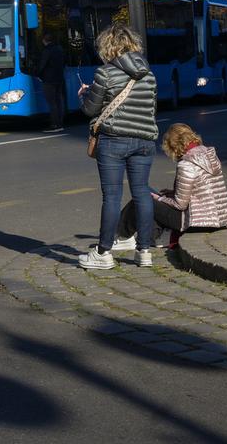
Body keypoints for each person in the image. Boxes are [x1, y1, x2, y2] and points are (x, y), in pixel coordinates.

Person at [77, 22, 160, 270]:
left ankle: (103, 253)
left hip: (114, 140)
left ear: (107, 47)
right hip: (145, 140)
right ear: (133, 44)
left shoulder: (105, 73)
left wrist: (85, 94)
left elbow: (90, 110)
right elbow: (152, 108)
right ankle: (144, 250)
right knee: (142, 193)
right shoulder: (148, 74)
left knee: (112, 196)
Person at [111, 123, 227, 253]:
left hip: (196, 221)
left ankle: (122, 237)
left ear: (173, 145)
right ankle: (157, 236)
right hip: (216, 218)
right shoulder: (207, 155)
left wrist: (160, 199)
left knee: (142, 199)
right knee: (154, 196)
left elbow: (180, 205)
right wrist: (169, 194)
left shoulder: (187, 164)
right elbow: (201, 190)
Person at [35, 30, 67, 131]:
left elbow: (42, 66)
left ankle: (55, 124)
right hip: (59, 78)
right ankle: (60, 123)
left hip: (49, 80)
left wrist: (38, 74)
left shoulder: (47, 51)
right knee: (59, 101)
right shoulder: (59, 49)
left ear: (44, 40)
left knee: (52, 102)